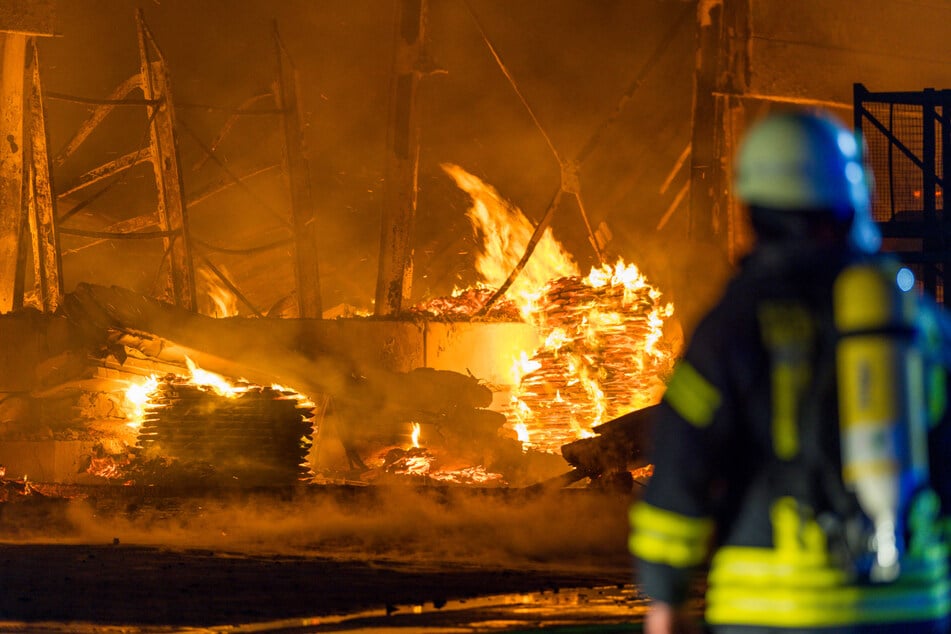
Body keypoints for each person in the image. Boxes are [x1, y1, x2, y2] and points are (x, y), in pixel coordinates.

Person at [629, 109, 951, 633]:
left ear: (753, 208)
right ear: (854, 200)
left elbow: (682, 463)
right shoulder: (923, 324)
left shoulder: (737, 325)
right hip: (912, 606)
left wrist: (665, 597)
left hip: (776, 610)